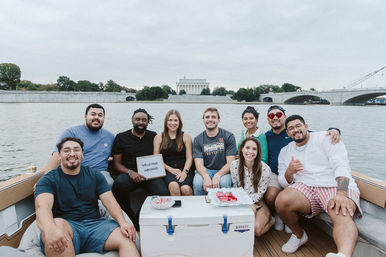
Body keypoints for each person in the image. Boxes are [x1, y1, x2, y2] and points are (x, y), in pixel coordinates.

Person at [35, 137, 139, 257]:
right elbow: (42, 207)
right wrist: (49, 229)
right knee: (57, 224)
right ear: (59, 155)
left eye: (76, 150)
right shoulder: (48, 180)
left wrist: (123, 222)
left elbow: (110, 201)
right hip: (67, 226)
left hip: (96, 225)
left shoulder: (95, 175)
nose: (72, 154)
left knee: (127, 238)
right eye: (67, 150)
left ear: (82, 154)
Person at [275, 115, 361, 257]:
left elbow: (341, 165)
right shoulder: (285, 151)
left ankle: (343, 254)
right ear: (287, 133)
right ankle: (298, 235)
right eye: (291, 128)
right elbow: (283, 182)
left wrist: (341, 193)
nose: (296, 130)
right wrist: (289, 172)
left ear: (306, 126)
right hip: (307, 187)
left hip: (333, 184)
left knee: (341, 211)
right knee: (282, 200)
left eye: (298, 126)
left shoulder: (326, 138)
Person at [264, 105, 341, 231]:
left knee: (293, 190)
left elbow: (319, 135)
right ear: (268, 120)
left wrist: (334, 130)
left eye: (278, 114)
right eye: (271, 116)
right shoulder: (266, 136)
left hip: (297, 174)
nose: (275, 118)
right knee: (271, 196)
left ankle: (290, 218)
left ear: (284, 117)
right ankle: (279, 214)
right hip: (276, 174)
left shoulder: (295, 132)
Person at [111, 108, 169, 231]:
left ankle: (138, 218)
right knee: (119, 185)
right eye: (137, 119)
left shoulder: (153, 136)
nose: (140, 122)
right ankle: (129, 216)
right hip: (129, 174)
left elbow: (158, 157)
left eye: (144, 120)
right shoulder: (121, 137)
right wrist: (130, 172)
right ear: (132, 120)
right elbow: (116, 164)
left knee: (163, 192)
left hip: (150, 175)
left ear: (148, 122)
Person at [44, 103, 115, 185]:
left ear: (103, 118)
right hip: (75, 171)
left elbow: (118, 155)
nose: (96, 117)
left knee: (109, 183)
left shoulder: (110, 137)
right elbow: (56, 155)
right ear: (85, 116)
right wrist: (45, 179)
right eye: (93, 114)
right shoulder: (71, 132)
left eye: (100, 115)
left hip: (100, 172)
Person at [230, 137, 273, 237]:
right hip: (240, 202)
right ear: (242, 149)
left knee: (257, 231)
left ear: (258, 152)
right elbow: (236, 188)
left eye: (254, 149)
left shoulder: (265, 169)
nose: (250, 151)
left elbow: (260, 193)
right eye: (247, 148)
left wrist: (250, 205)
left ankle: (271, 220)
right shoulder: (234, 165)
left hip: (259, 203)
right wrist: (244, 204)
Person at [193, 107, 237, 195]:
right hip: (206, 170)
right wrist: (205, 176)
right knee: (198, 183)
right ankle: (201, 206)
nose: (210, 119)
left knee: (224, 183)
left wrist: (218, 175)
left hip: (224, 170)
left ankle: (224, 206)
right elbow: (199, 165)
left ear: (218, 120)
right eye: (207, 117)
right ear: (203, 120)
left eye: (213, 117)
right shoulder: (198, 139)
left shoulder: (228, 136)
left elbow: (230, 163)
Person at [153, 109, 194, 196]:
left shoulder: (186, 137)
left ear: (179, 122)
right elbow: (156, 159)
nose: (173, 123)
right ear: (166, 122)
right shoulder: (159, 137)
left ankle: (190, 209)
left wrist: (184, 172)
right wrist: (171, 170)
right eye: (170, 120)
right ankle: (177, 209)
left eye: (176, 120)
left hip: (185, 169)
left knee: (185, 189)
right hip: (168, 170)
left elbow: (189, 157)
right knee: (173, 185)